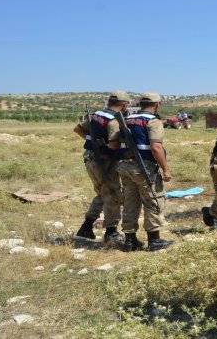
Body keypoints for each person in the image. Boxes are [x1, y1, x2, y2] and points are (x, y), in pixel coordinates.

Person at [117, 92, 174, 252]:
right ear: (157, 105)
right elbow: (156, 147)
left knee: (130, 202)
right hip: (144, 167)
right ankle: (154, 241)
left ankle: (130, 240)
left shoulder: (126, 119)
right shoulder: (153, 121)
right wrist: (166, 169)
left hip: (125, 167)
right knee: (153, 201)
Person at [73, 91, 129, 243]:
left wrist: (93, 143)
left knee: (102, 194)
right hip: (104, 163)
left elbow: (78, 129)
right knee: (114, 196)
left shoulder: (96, 115)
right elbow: (113, 144)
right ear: (124, 104)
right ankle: (111, 232)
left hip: (90, 159)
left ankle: (86, 227)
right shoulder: (113, 120)